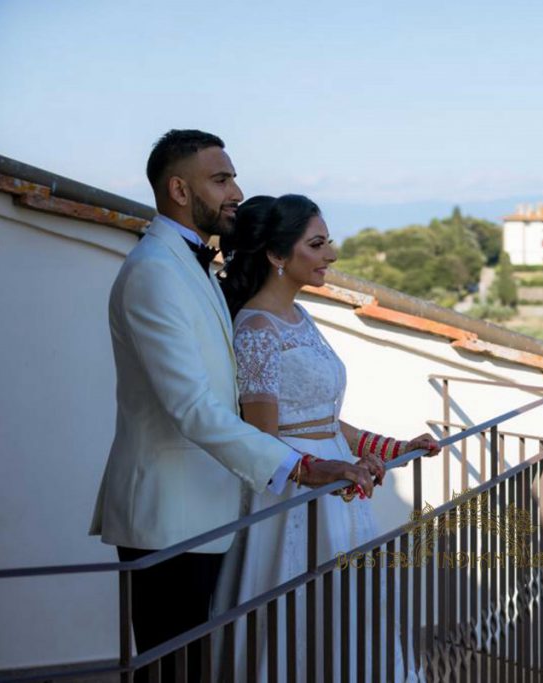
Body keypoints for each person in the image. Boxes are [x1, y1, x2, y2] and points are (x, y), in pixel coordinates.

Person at [89, 131, 375, 683]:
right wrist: (303, 465)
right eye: (220, 180)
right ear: (178, 189)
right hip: (169, 517)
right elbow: (191, 406)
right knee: (171, 669)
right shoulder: (155, 271)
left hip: (209, 509)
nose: (237, 192)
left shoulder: (188, 264)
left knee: (199, 666)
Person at [216, 193, 439, 681]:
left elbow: (326, 421)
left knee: (351, 622)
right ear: (277, 255)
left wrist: (394, 448)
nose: (331, 255)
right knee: (300, 622)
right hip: (296, 499)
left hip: (339, 490)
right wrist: (327, 471)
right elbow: (262, 438)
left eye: (328, 242)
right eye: (317, 244)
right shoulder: (256, 329)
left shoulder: (301, 317)